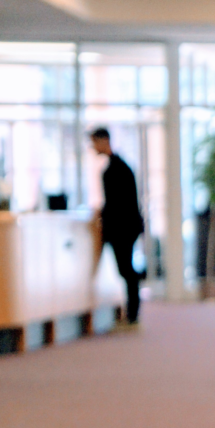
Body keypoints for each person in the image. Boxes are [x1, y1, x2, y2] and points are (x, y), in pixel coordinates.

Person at [90, 128, 145, 325]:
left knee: (126, 270)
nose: (93, 147)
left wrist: (101, 214)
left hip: (123, 228)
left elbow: (117, 203)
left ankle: (132, 314)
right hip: (126, 226)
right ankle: (132, 314)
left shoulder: (115, 170)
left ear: (104, 141)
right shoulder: (118, 167)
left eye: (95, 142)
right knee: (126, 270)